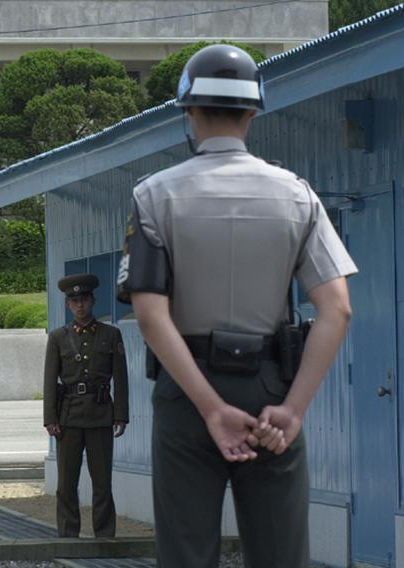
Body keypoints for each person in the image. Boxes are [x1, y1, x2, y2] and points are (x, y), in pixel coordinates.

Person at [117, 44, 356, 568]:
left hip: (188, 397)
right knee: (280, 553)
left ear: (188, 111)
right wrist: (292, 411)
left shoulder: (154, 195)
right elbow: (337, 309)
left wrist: (210, 408)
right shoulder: (298, 195)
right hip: (271, 391)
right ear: (253, 112)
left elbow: (152, 316)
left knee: (186, 553)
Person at [43, 274, 129, 538]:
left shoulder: (111, 334)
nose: (80, 306)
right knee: (66, 483)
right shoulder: (58, 337)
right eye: (74, 301)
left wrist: (121, 415)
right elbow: (49, 380)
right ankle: (69, 534)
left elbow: (121, 378)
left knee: (102, 482)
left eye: (84, 300)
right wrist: (50, 418)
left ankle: (104, 535)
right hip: (68, 416)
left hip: (101, 414)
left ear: (93, 301)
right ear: (68, 305)